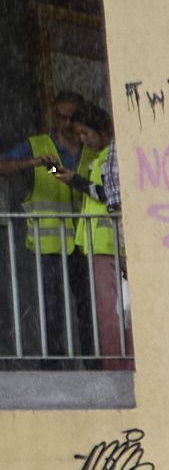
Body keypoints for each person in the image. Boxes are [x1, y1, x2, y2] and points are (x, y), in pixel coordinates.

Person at [2, 94, 88, 361]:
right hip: (49, 243)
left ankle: (92, 360)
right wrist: (33, 163)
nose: (65, 123)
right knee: (52, 308)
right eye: (60, 116)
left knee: (89, 309)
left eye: (71, 117)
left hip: (87, 242)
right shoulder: (38, 146)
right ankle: (56, 360)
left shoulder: (92, 146)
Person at [69, 101, 123, 365]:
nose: (82, 139)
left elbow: (106, 196)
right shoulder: (96, 157)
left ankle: (116, 363)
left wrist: (75, 181)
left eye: (85, 133)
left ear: (99, 128)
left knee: (110, 314)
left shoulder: (110, 157)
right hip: (95, 244)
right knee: (109, 312)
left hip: (106, 244)